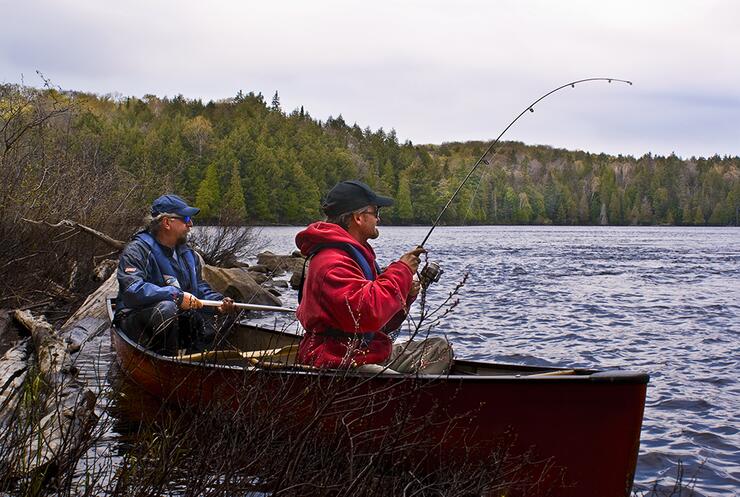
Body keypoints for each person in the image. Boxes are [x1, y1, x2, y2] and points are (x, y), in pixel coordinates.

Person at [295, 180, 453, 374]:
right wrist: (402, 270)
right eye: (375, 212)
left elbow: (381, 324)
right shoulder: (332, 262)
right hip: (340, 360)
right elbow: (367, 313)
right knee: (397, 384)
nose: (378, 219)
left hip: (365, 351)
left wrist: (406, 294)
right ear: (359, 218)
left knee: (439, 349)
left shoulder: (354, 256)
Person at [114, 194, 235, 355]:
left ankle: (194, 360)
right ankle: (167, 362)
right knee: (167, 308)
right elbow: (132, 291)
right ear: (166, 222)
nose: (190, 224)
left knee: (227, 315)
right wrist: (175, 296)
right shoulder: (136, 251)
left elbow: (198, 288)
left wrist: (218, 303)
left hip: (172, 318)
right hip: (136, 320)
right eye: (185, 219)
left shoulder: (188, 255)